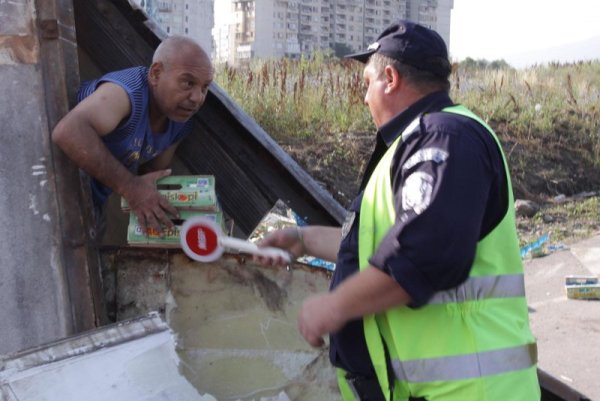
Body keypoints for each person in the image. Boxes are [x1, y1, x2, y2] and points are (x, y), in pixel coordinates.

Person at [255, 20, 540, 401]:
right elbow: (382, 243)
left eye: (366, 84)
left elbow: (423, 253)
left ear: (389, 78)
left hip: (471, 391)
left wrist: (334, 306)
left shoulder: (444, 138)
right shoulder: (416, 143)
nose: (364, 98)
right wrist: (303, 240)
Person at [52, 35, 213, 237]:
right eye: (187, 83)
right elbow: (68, 131)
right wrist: (131, 188)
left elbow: (153, 174)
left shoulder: (180, 122)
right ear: (155, 74)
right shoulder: (126, 93)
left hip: (90, 206)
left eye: (204, 87)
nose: (197, 98)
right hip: (51, 196)